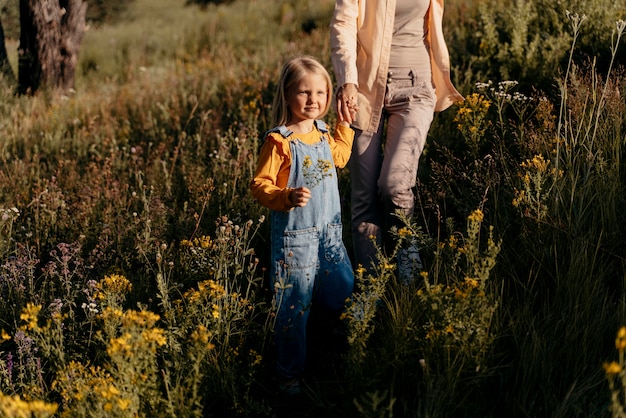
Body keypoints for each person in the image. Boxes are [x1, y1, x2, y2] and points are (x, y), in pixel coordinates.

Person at [330, 0, 464, 283]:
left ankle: (408, 259)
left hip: (416, 87)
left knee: (394, 185)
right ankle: (370, 285)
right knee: (363, 197)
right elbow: (343, 23)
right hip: (364, 91)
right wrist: (347, 81)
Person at [250, 55, 355, 395]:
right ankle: (289, 375)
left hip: (330, 235)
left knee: (342, 291)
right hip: (296, 244)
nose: (313, 100)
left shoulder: (324, 133)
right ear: (287, 95)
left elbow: (339, 157)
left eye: (321, 93)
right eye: (304, 92)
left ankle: (338, 350)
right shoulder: (280, 141)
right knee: (293, 308)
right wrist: (285, 196)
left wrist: (344, 124)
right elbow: (260, 184)